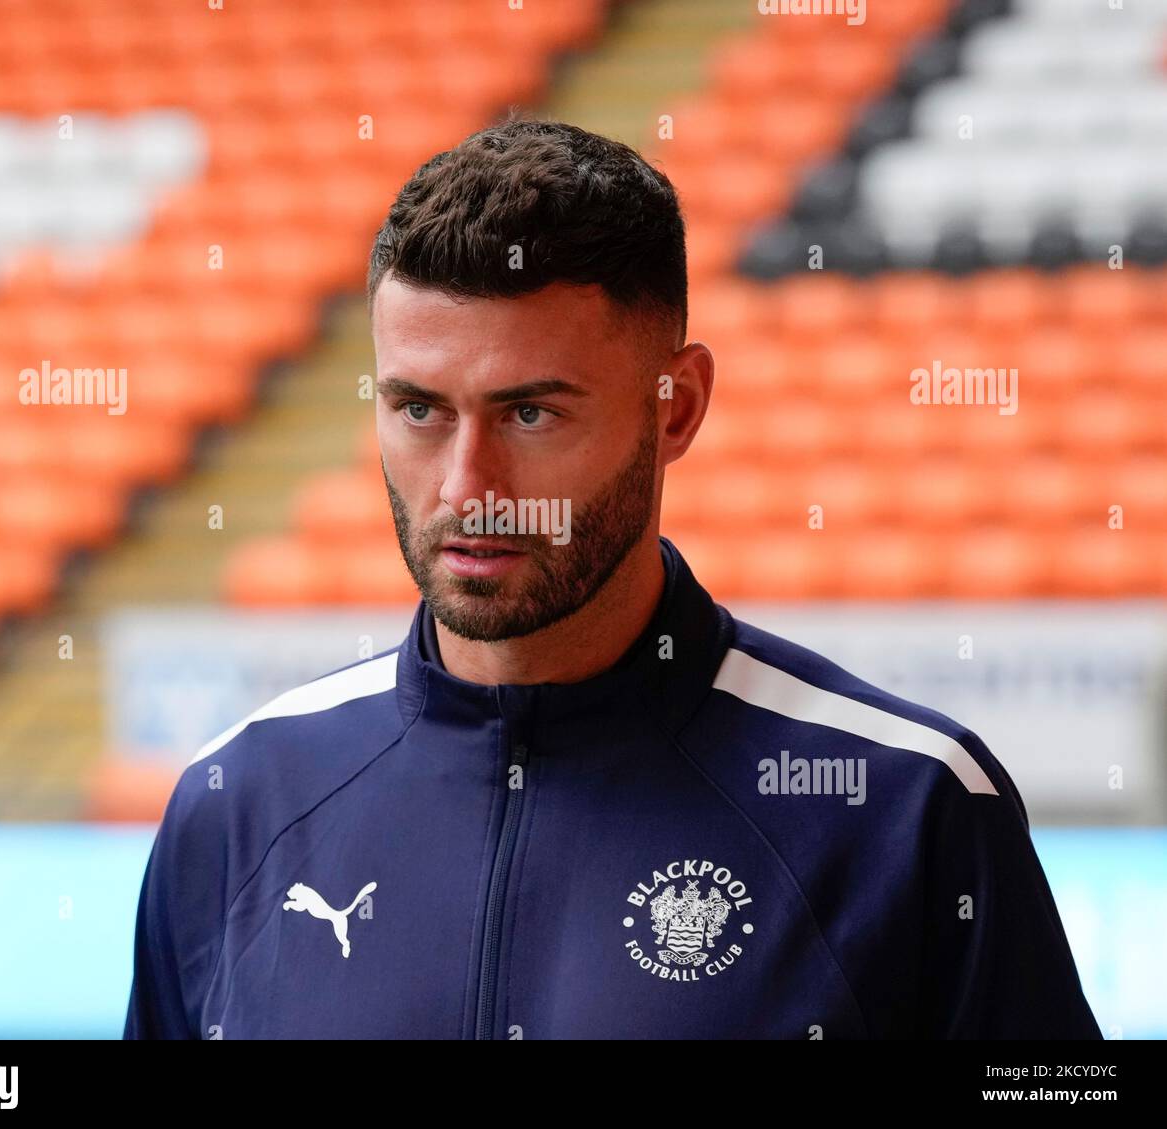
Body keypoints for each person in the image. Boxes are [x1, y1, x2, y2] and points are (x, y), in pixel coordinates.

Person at [124, 118, 1102, 1039]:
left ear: (677, 408)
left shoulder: (902, 809)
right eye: (419, 409)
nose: (468, 490)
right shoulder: (236, 802)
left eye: (531, 415)